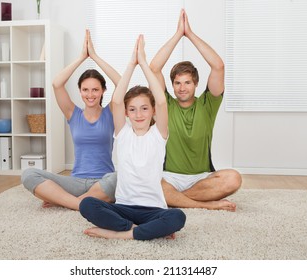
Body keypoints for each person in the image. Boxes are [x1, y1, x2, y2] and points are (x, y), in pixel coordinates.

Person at [79, 35, 186, 240]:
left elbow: (163, 102)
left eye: (145, 108)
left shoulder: (159, 134)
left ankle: (122, 234)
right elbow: (117, 100)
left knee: (177, 217)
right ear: (126, 113)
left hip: (154, 209)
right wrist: (131, 63)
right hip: (124, 208)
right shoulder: (123, 133)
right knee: (87, 204)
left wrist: (144, 63)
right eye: (133, 110)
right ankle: (140, 230)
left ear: (153, 111)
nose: (139, 114)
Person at [149, 9, 242, 211]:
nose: (182, 87)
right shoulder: (165, 104)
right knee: (151, 184)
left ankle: (178, 200)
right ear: (172, 85)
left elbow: (218, 65)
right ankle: (207, 205)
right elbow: (154, 68)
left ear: (196, 84)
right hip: (169, 177)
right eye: (177, 83)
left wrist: (189, 34)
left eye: (187, 82)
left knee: (233, 179)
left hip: (202, 177)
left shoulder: (208, 104)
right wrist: (177, 35)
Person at [21, 29, 120, 210]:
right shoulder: (72, 113)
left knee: (121, 178)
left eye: (95, 90)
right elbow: (56, 83)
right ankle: (82, 203)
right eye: (85, 90)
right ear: (80, 91)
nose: (90, 95)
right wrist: (82, 57)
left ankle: (64, 201)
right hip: (75, 182)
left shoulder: (111, 112)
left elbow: (121, 83)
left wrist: (95, 57)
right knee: (28, 174)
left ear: (103, 91)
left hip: (104, 181)